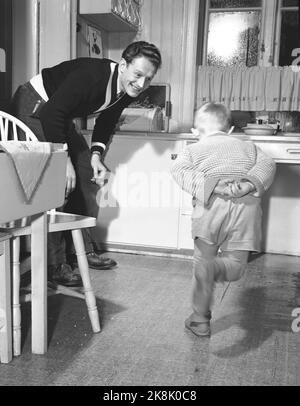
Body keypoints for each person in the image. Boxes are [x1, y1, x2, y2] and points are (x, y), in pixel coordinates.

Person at [10, 41, 162, 287]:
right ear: (123, 65)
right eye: (138, 74)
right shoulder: (92, 77)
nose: (142, 83)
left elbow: (107, 121)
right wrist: (62, 160)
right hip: (34, 105)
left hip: (55, 114)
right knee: (57, 183)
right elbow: (52, 113)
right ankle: (55, 264)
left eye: (148, 78)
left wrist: (95, 156)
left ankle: (81, 249)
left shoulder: (127, 88)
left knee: (86, 171)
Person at [170, 102, 276, 337]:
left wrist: (212, 185)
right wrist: (248, 183)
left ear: (196, 131)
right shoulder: (248, 146)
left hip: (209, 210)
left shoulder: (193, 149)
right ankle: (219, 268)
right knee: (236, 266)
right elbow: (268, 164)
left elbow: (179, 170)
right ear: (230, 131)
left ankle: (200, 320)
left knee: (202, 262)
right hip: (245, 209)